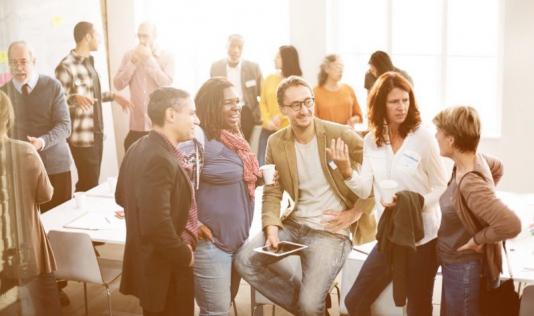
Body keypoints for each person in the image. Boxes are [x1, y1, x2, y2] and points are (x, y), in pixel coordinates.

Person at [234, 76, 376, 316]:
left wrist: (356, 212)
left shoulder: (339, 134)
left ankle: (310, 306)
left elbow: (377, 171)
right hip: (294, 225)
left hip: (331, 232)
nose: (305, 109)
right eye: (296, 105)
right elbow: (272, 189)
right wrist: (271, 227)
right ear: (283, 109)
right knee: (243, 261)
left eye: (308, 101)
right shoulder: (276, 142)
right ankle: (310, 307)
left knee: (310, 305)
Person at [344, 72, 447, 316]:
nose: (401, 107)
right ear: (381, 105)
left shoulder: (422, 138)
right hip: (389, 236)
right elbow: (365, 187)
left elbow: (441, 185)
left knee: (418, 308)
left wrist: (415, 204)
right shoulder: (372, 140)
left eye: (405, 100)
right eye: (394, 102)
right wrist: (347, 170)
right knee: (354, 301)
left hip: (422, 238)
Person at [115, 87, 198, 316]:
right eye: (191, 113)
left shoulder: (137, 146)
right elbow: (156, 225)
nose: (196, 120)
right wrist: (185, 255)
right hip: (166, 268)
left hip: (151, 265)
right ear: (171, 115)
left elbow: (121, 196)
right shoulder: (160, 159)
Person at [432, 106, 521, 316]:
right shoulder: (474, 159)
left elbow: (512, 224)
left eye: (439, 132)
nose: (436, 136)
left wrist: (479, 238)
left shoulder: (470, 182)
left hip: (462, 268)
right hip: (453, 262)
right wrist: (481, 207)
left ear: (451, 139)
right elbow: (498, 167)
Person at [183, 77, 261, 315]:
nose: (236, 107)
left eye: (237, 101)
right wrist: (192, 223)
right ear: (211, 106)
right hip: (211, 245)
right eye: (228, 103)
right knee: (215, 312)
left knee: (223, 307)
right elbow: (176, 185)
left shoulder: (234, 137)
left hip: (237, 242)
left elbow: (236, 176)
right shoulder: (198, 139)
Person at [0, 91, 62, 315]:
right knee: (44, 307)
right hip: (27, 247)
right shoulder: (25, 151)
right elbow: (46, 194)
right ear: (8, 118)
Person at [55, 21, 132, 192]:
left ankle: (82, 214)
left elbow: (91, 95)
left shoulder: (89, 63)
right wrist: (74, 98)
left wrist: (114, 96)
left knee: (91, 182)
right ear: (87, 37)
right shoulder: (65, 66)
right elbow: (57, 102)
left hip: (97, 133)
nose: (99, 40)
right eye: (97, 35)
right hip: (81, 138)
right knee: (88, 183)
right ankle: (79, 215)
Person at [1, 41, 72, 212]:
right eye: (13, 62)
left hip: (55, 167)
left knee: (58, 224)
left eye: (23, 61)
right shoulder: (3, 93)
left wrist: (41, 142)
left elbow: (65, 126)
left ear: (34, 61)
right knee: (28, 227)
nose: (18, 67)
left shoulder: (52, 86)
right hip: (20, 169)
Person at [113, 22, 175, 151]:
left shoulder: (167, 56)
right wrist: (133, 62)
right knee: (133, 166)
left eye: (145, 36)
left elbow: (166, 84)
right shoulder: (129, 55)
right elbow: (118, 84)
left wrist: (149, 59)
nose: (141, 40)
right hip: (137, 126)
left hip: (159, 126)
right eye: (139, 36)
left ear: (155, 36)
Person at [210, 34, 262, 142]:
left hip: (246, 112)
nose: (235, 50)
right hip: (223, 111)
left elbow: (263, 95)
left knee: (242, 145)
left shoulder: (253, 68)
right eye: (232, 46)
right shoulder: (216, 67)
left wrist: (258, 114)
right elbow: (212, 94)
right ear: (226, 47)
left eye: (239, 47)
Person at [257, 45, 302, 165]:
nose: (274, 59)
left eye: (278, 57)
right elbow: (262, 102)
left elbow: (296, 105)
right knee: (263, 166)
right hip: (267, 131)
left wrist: (280, 117)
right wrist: (268, 122)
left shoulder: (296, 82)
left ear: (286, 59)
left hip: (287, 131)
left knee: (285, 167)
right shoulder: (269, 78)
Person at [314, 54, 362, 126]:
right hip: (326, 136)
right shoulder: (316, 92)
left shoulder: (349, 89)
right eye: (337, 66)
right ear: (327, 69)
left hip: (347, 135)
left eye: (342, 67)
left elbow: (359, 116)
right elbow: (313, 120)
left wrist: (353, 120)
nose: (341, 70)